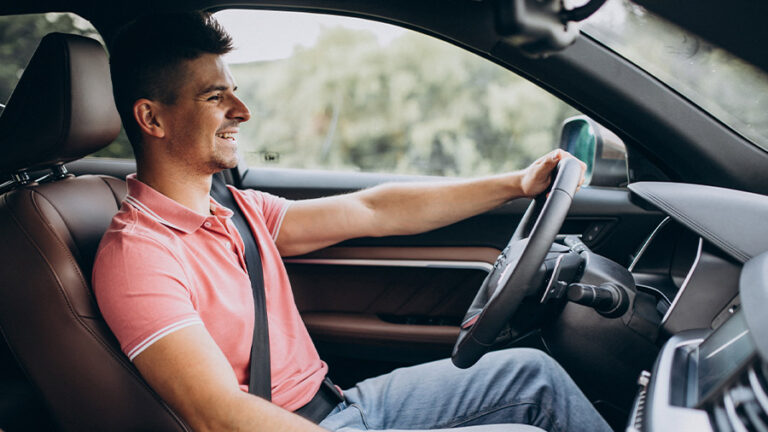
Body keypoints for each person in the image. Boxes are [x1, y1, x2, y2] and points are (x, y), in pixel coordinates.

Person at [93, 11, 612, 432]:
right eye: (215, 97)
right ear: (152, 119)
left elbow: (373, 210)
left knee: (530, 373)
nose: (242, 110)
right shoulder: (138, 256)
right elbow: (218, 417)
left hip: (343, 406)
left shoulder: (237, 212)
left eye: (233, 91)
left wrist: (516, 185)